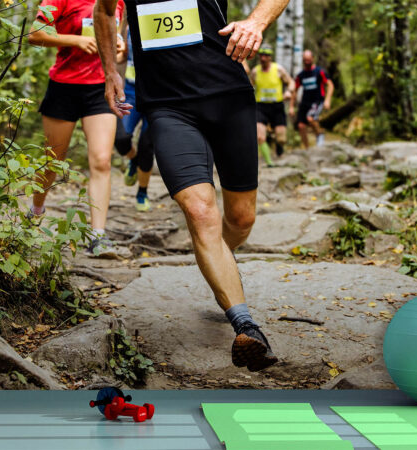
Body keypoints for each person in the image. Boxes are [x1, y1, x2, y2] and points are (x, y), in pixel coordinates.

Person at [93, 0, 289, 372]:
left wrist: (256, 22)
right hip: (168, 107)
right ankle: (245, 326)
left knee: (242, 219)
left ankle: (219, 262)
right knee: (201, 213)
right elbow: (103, 11)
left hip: (229, 96)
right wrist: (110, 71)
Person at [27, 0, 131, 258]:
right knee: (53, 160)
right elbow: (35, 35)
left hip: (100, 88)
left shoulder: (117, 2)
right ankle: (35, 211)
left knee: (102, 160)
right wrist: (76, 41)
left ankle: (98, 237)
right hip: (64, 86)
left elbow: (118, 50)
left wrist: (120, 48)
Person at [114, 28, 155, 212]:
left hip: (157, 96)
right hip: (131, 93)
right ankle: (134, 158)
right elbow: (124, 57)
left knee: (147, 145)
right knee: (121, 139)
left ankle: (142, 193)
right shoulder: (131, 27)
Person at [250, 46, 294, 166]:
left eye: (266, 55)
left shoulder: (278, 69)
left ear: (270, 57)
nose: (263, 58)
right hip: (261, 107)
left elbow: (291, 82)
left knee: (281, 139)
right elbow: (249, 87)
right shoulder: (255, 72)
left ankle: (277, 143)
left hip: (277, 107)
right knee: (259, 136)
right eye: (261, 55)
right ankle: (270, 162)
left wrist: (289, 91)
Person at [289, 50, 334, 149]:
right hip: (305, 102)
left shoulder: (319, 71)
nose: (307, 62)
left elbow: (330, 85)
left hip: (317, 100)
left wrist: (327, 100)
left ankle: (320, 135)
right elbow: (295, 91)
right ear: (303, 61)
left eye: (308, 60)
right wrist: (291, 106)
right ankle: (307, 149)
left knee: (311, 118)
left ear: (312, 59)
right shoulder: (301, 75)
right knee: (301, 126)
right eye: (305, 60)